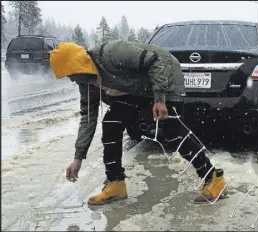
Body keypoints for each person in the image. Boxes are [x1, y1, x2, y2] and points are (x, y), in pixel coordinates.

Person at [49, 40, 227, 206]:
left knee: (170, 130)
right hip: (139, 89)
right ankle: (116, 184)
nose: (73, 80)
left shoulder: (112, 53)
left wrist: (159, 98)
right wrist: (78, 158)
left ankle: (213, 177)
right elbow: (88, 118)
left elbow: (155, 61)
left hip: (165, 74)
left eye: (72, 75)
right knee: (111, 122)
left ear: (79, 65)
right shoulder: (87, 83)